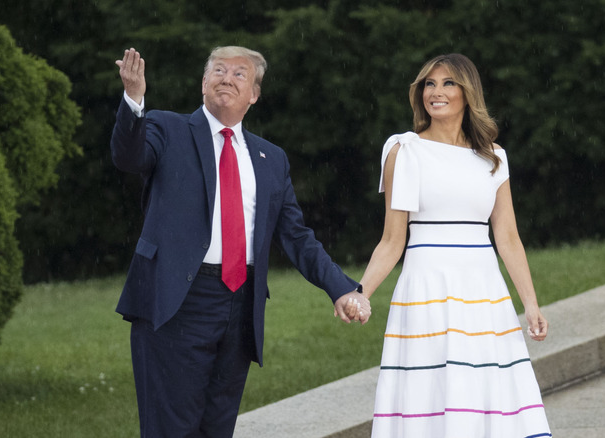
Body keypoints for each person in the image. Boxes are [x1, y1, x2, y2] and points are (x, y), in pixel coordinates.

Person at [111, 46, 370, 438]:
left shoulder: (271, 158)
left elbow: (296, 235)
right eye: (218, 70)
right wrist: (133, 98)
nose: (226, 78)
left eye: (239, 74)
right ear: (203, 83)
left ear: (254, 94)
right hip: (176, 302)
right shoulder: (167, 128)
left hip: (240, 308)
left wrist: (340, 289)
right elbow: (127, 157)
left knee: (217, 427)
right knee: (170, 428)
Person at [357, 53, 552, 437]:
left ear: (467, 92)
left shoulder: (494, 157)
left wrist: (530, 305)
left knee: (485, 393)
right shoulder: (404, 150)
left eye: (448, 83)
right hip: (426, 289)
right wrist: (360, 293)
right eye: (429, 83)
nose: (436, 92)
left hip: (484, 293)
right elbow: (392, 240)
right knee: (428, 394)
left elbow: (508, 237)